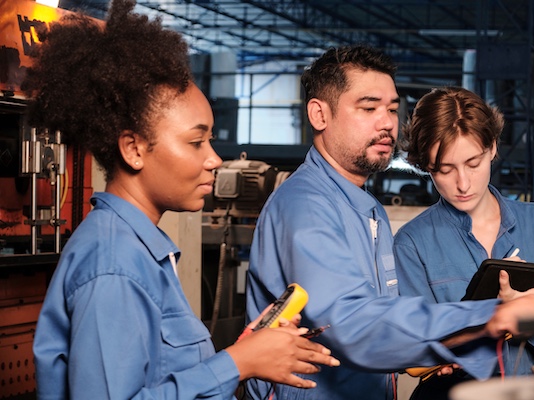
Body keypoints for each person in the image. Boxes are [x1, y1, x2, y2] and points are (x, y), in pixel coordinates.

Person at [27, 1, 338, 399]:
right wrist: (238, 363)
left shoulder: (139, 251)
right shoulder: (114, 266)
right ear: (134, 148)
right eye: (196, 142)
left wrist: (246, 354)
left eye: (210, 140)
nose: (213, 159)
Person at [244, 44, 534, 400]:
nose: (387, 121)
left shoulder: (367, 208)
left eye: (392, 108)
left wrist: (444, 347)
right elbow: (356, 325)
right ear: (319, 115)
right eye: (368, 107)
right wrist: (489, 316)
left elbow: (384, 322)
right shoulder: (307, 206)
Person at [393, 86, 534, 399]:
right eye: (445, 169)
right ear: (426, 166)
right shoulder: (412, 244)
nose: (463, 184)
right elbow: (411, 350)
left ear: (492, 147)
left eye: (473, 163)